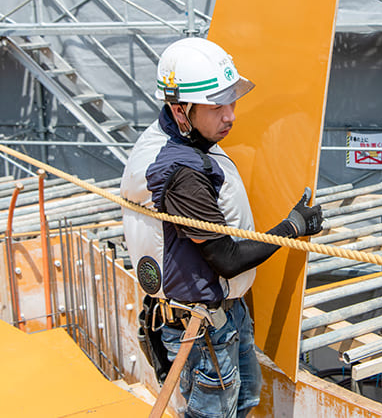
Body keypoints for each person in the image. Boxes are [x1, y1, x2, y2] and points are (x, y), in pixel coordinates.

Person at [120, 37, 323, 418]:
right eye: (217, 106)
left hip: (222, 315)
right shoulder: (180, 171)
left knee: (245, 400)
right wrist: (292, 227)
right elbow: (227, 259)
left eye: (232, 102)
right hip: (200, 330)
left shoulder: (190, 138)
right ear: (180, 110)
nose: (230, 116)